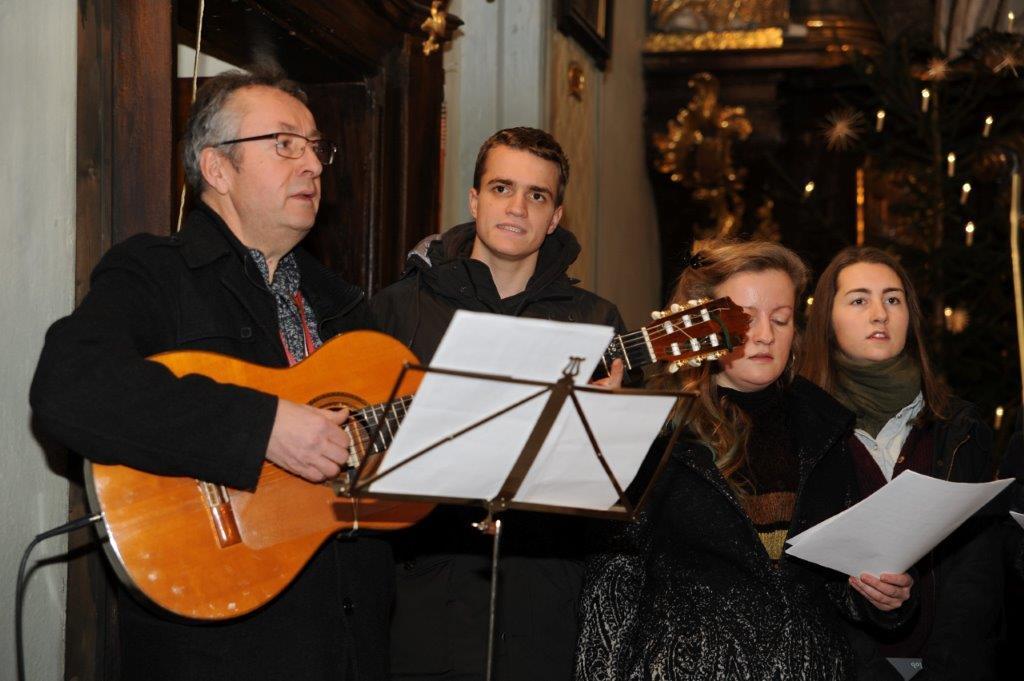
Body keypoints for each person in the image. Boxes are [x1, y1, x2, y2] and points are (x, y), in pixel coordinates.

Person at [30, 70, 391, 680]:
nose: (313, 164)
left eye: (315, 147)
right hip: (218, 652)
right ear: (218, 168)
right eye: (285, 144)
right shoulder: (156, 272)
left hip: (350, 644)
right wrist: (262, 427)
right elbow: (70, 387)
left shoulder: (346, 308)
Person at [575, 240, 914, 681]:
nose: (765, 335)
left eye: (781, 319)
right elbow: (612, 586)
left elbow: (841, 582)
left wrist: (881, 598)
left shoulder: (824, 428)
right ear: (702, 324)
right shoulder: (656, 432)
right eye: (746, 318)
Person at [371, 127, 625, 681]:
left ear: (555, 217)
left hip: (540, 594)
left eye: (537, 195)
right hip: (420, 591)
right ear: (474, 199)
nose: (517, 208)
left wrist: (611, 425)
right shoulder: (397, 309)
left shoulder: (595, 322)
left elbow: (613, 487)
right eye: (501, 188)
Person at [799, 246, 1002, 680]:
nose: (880, 314)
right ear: (827, 321)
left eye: (893, 299)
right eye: (859, 300)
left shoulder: (959, 428)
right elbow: (804, 585)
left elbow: (976, 574)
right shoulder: (800, 429)